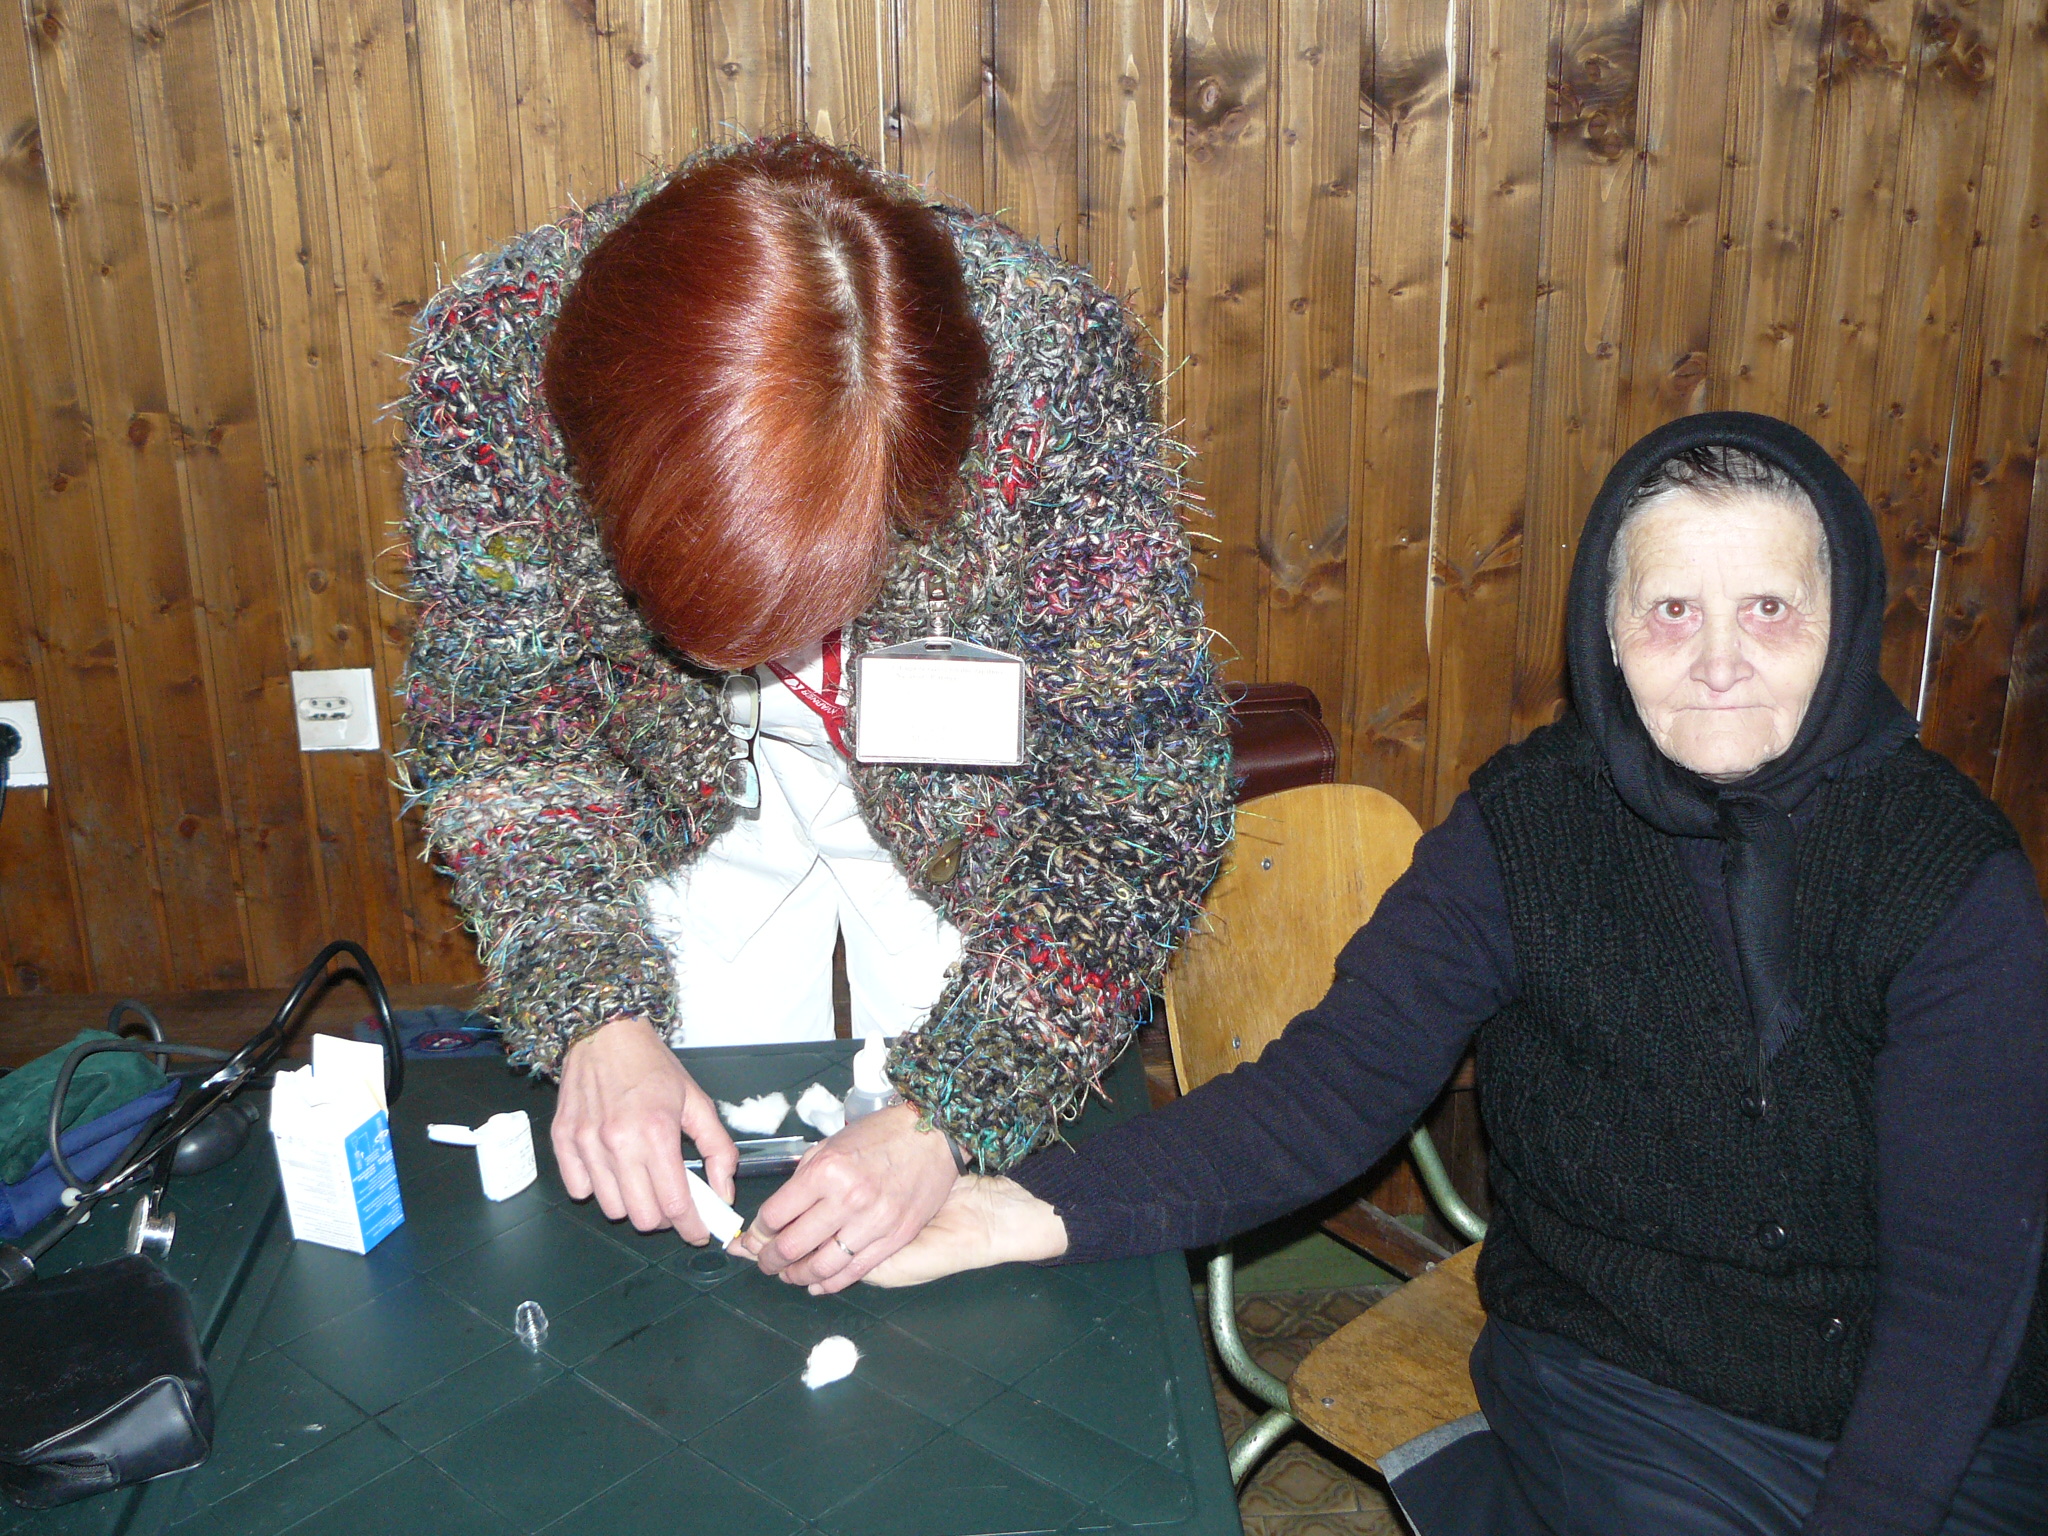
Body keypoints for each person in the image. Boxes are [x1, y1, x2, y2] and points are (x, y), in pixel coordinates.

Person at [870, 413, 2048, 1535]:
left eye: (1769, 609)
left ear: (1842, 623)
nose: (1717, 662)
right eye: (1670, 610)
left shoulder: (1946, 878)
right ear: (1605, 631)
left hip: (1924, 1414)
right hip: (1627, 1385)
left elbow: (1963, 1286)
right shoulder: (1524, 830)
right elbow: (1325, 1095)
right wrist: (1016, 1208)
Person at [398, 135, 1232, 1291]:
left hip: (965, 778)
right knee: (699, 1123)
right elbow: (507, 747)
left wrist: (945, 1109)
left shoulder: (1050, 362)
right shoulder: (492, 358)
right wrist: (597, 1018)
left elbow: (1137, 807)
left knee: (945, 1198)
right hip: (673, 754)